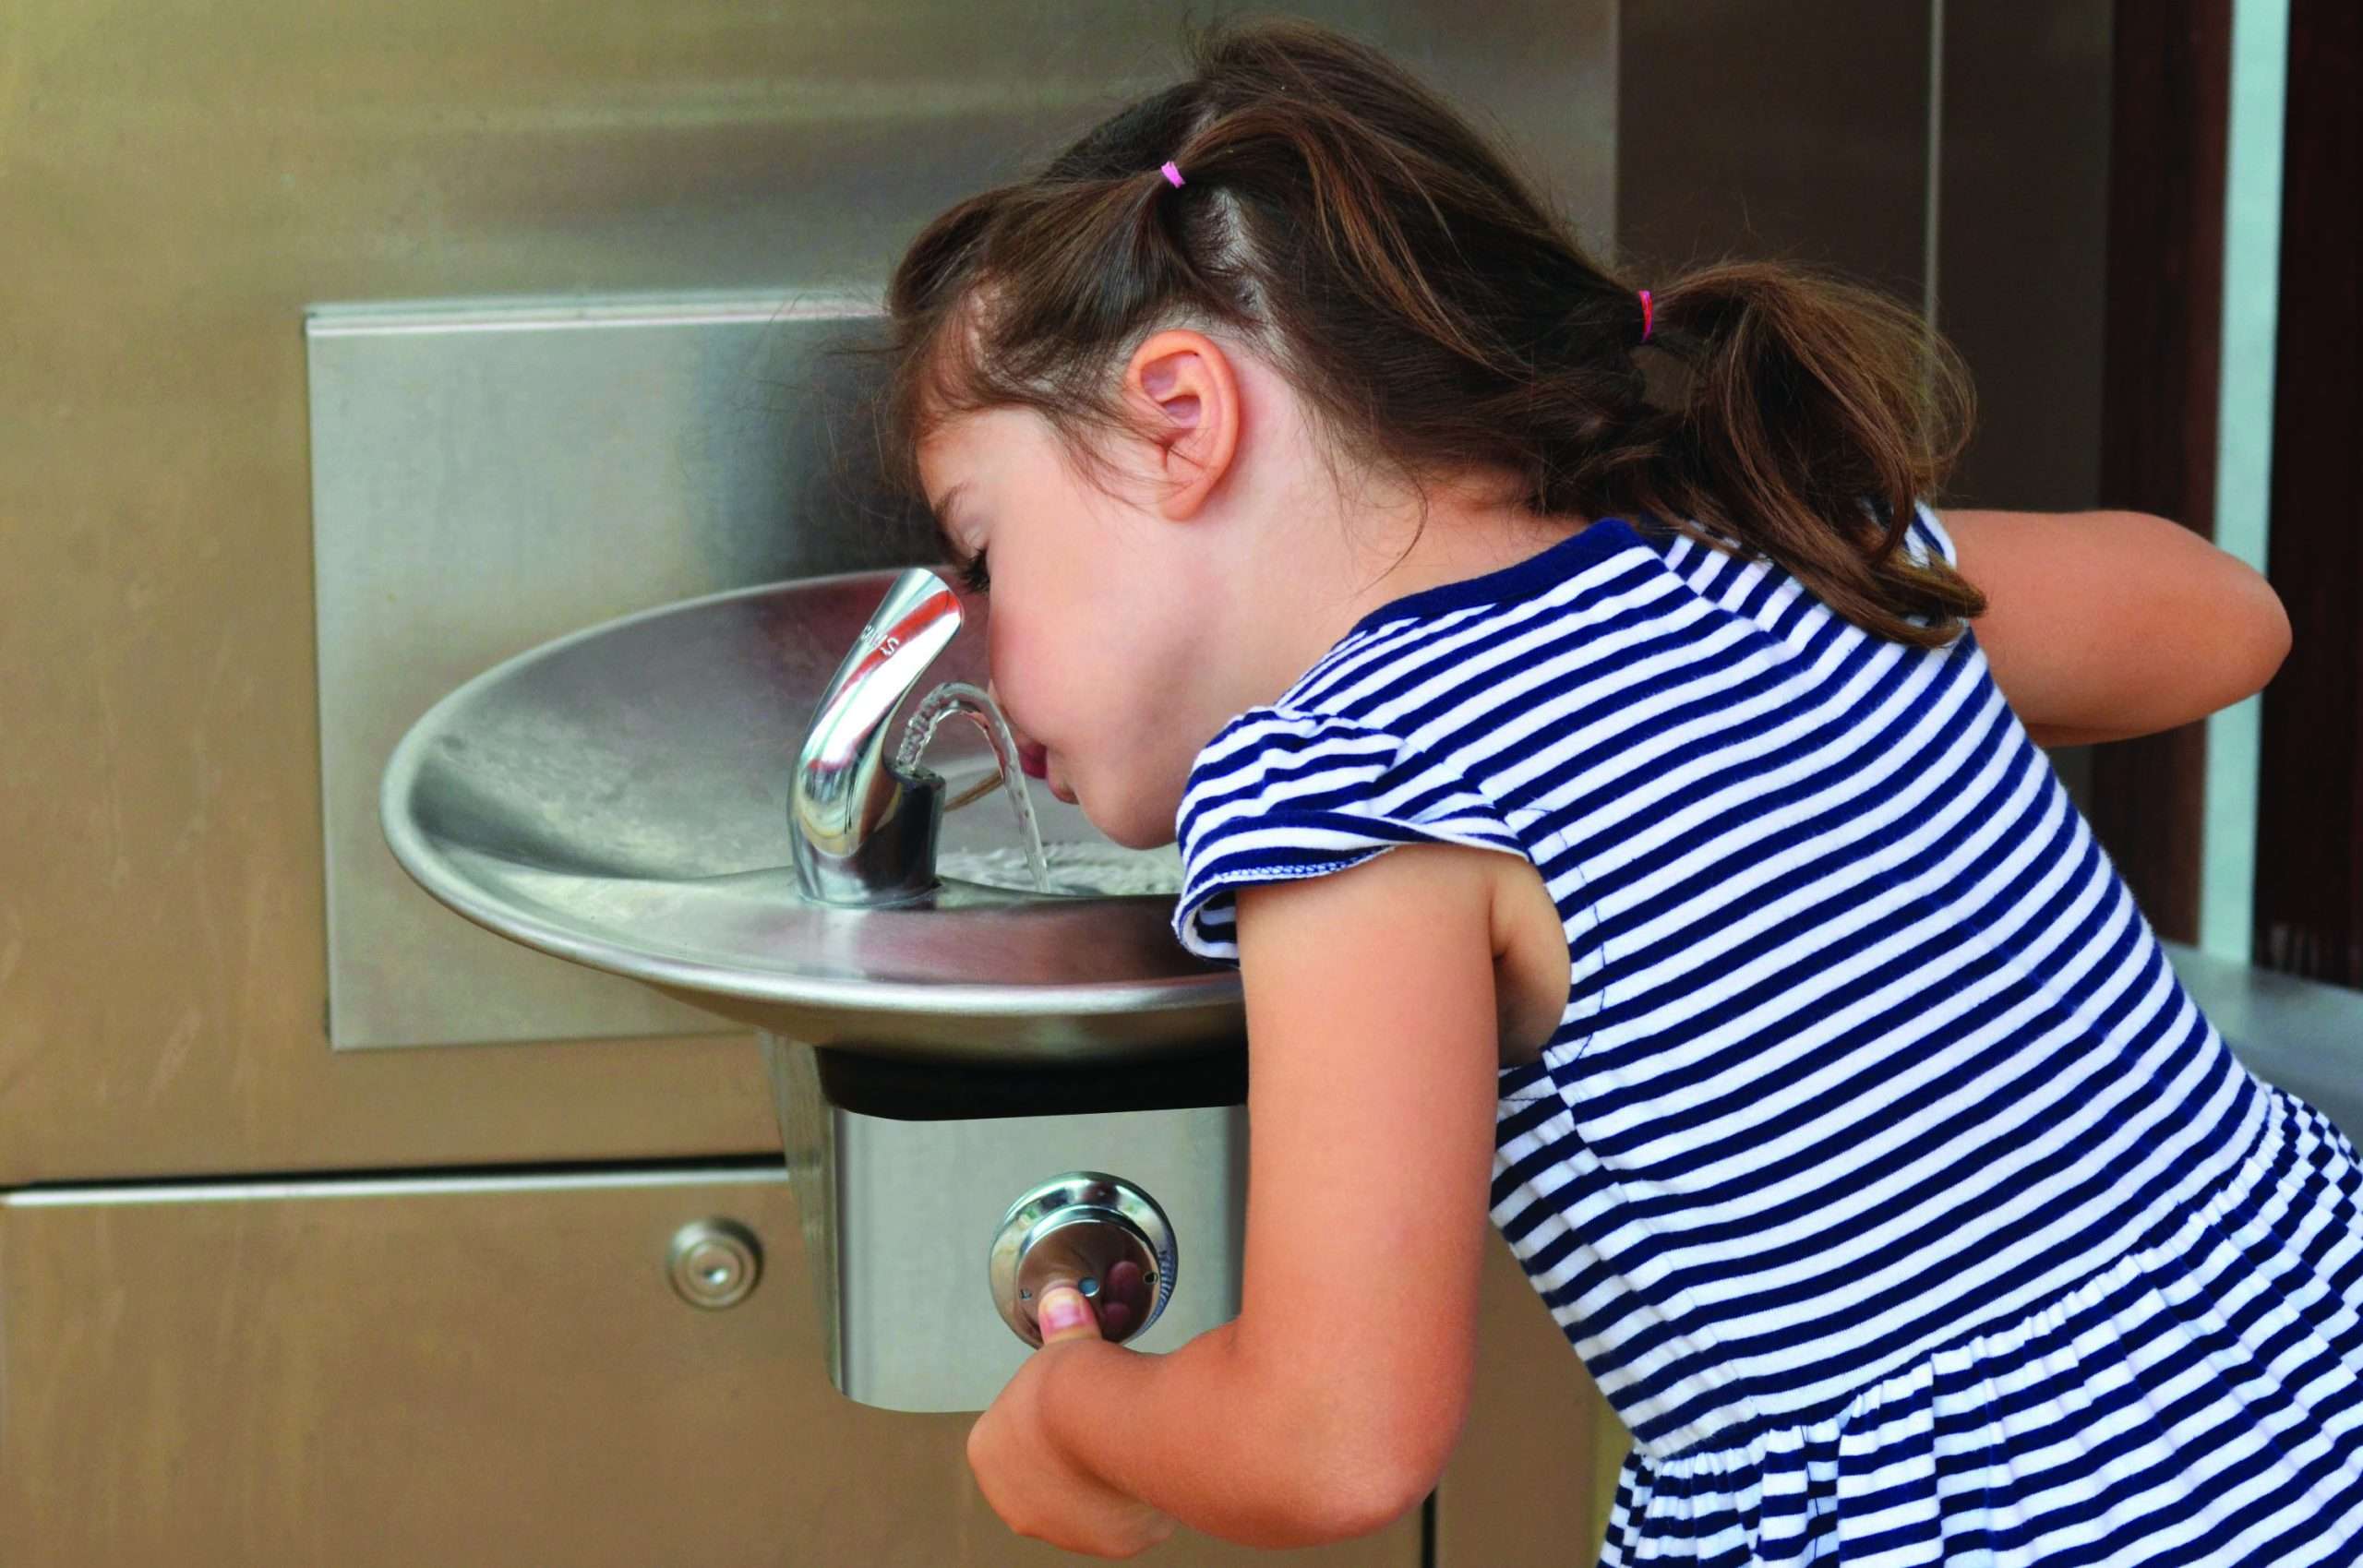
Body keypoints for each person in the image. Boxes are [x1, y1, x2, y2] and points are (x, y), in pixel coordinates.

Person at [882, 17, 2358, 1563]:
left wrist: (1068, 1415)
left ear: (1181, 418)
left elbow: (1327, 1442)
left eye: (984, 554)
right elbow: (2225, 621)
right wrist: (1833, 565)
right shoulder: (1772, 561)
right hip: (2307, 1381)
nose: (975, 651)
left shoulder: (1347, 788)